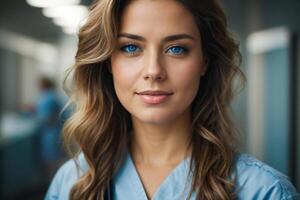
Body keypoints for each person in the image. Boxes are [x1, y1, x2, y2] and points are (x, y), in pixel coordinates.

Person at [45, 0, 300, 199]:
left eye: (176, 49)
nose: (154, 71)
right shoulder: (71, 183)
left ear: (205, 62)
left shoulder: (265, 191)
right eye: (131, 48)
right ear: (108, 62)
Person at [36, 77, 63, 178]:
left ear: (44, 84)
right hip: (52, 132)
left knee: (51, 160)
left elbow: (48, 118)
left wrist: (38, 118)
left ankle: (51, 180)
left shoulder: (48, 98)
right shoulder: (51, 96)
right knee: (52, 159)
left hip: (51, 133)